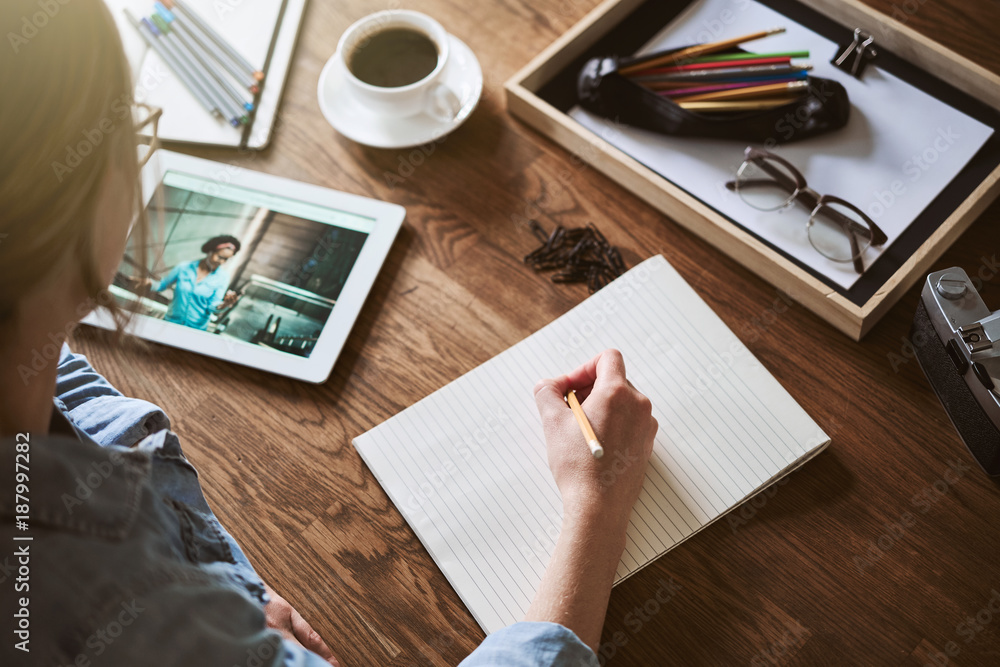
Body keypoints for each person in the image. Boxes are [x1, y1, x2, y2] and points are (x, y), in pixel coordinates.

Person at [0, 2, 657, 665]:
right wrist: (594, 506)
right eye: (127, 135)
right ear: (61, 206)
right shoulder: (112, 606)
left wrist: (217, 598)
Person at [140, 236, 243, 330]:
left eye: (226, 259)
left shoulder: (223, 278)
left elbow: (213, 305)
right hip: (171, 323)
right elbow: (162, 285)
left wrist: (225, 304)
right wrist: (149, 283)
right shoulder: (184, 268)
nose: (221, 262)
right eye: (220, 257)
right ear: (210, 251)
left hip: (196, 330)